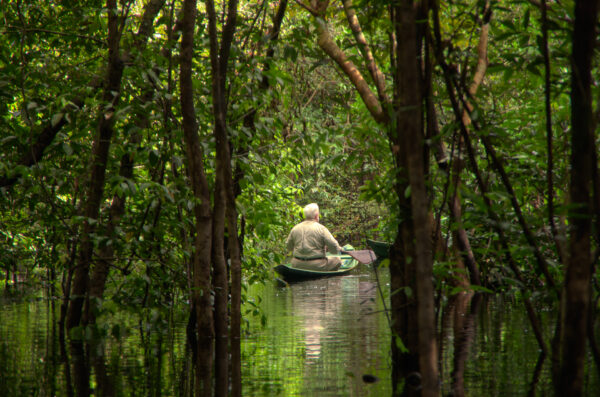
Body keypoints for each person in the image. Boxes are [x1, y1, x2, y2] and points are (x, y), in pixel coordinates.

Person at [286, 203, 343, 271]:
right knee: (337, 260)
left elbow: (288, 247)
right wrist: (334, 249)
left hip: (297, 264)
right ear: (316, 216)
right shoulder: (321, 229)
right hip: (317, 265)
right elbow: (334, 248)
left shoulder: (295, 228)